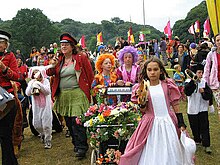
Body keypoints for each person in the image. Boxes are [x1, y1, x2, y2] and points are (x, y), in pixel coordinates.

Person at [119, 57, 188, 165]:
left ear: (161, 70)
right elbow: (143, 110)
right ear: (145, 71)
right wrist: (142, 101)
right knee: (151, 147)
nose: (152, 72)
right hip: (150, 123)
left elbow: (175, 104)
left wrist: (180, 122)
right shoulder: (142, 87)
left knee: (171, 148)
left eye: (155, 69)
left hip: (168, 121)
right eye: (149, 70)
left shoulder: (167, 85)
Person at [47, 32, 94, 159]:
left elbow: (90, 74)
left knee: (77, 121)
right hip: (64, 95)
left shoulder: (80, 57)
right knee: (68, 122)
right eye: (62, 45)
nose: (63, 47)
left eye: (66, 44)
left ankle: (82, 147)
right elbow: (49, 72)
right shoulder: (59, 60)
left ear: (72, 46)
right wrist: (53, 64)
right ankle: (76, 143)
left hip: (78, 93)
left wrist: (91, 91)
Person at [184, 63, 212, 154]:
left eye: (201, 72)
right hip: (192, 108)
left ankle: (207, 144)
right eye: (199, 72)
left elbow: (209, 95)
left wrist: (204, 92)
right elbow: (187, 92)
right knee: (194, 126)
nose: (200, 74)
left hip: (202, 108)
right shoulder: (189, 82)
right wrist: (193, 82)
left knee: (204, 127)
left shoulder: (204, 82)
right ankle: (197, 139)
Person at [0, 30, 19, 164]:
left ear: (6, 45)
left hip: (5, 98)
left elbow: (16, 76)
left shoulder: (10, 56)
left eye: (0, 42)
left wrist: (4, 68)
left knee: (5, 134)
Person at [26, 66, 53, 149]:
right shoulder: (31, 82)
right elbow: (27, 93)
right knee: (36, 124)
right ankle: (42, 134)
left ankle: (48, 140)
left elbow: (47, 91)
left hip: (46, 106)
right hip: (36, 106)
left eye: (37, 72)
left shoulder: (45, 81)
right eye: (34, 73)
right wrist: (33, 84)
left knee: (46, 125)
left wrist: (39, 85)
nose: (36, 74)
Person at [203, 33, 220, 117]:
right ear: (215, 42)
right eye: (218, 40)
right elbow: (207, 68)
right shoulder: (211, 54)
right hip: (215, 84)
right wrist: (205, 82)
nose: (219, 42)